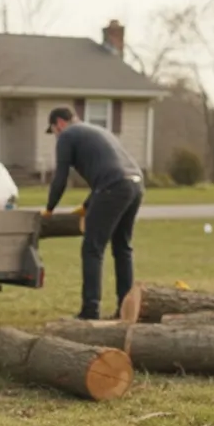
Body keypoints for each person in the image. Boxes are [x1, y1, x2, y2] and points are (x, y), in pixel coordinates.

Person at [41, 106, 145, 320]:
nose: (55, 136)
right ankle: (125, 310)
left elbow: (61, 177)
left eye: (53, 130)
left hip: (113, 186)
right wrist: (88, 205)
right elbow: (105, 169)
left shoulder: (67, 136)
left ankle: (90, 310)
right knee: (122, 248)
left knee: (92, 248)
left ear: (59, 123)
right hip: (135, 184)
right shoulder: (96, 131)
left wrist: (49, 209)